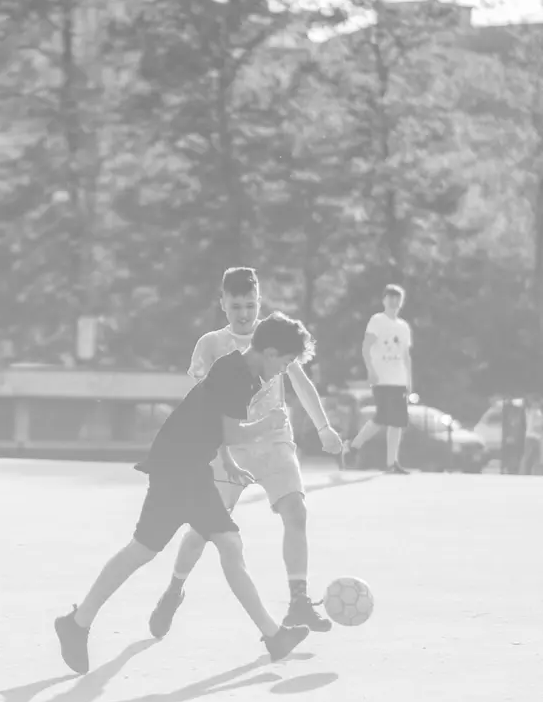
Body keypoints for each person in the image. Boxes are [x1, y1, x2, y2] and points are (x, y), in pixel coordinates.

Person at [54, 312, 321, 675]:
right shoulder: (240, 376)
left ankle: (274, 636)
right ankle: (77, 622)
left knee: (197, 546)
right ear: (270, 352)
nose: (283, 371)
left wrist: (226, 461)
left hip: (185, 465)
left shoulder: (239, 369)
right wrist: (269, 424)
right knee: (150, 549)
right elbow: (234, 431)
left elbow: (214, 421)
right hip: (179, 467)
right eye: (285, 362)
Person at [148, 269, 343, 640]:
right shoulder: (210, 344)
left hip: (274, 440)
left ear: (260, 302)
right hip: (229, 446)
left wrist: (324, 427)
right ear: (222, 303)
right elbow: (205, 403)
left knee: (296, 512)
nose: (243, 313)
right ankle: (174, 591)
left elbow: (301, 383)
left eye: (251, 305)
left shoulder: (272, 338)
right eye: (236, 305)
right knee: (201, 532)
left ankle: (298, 601)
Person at [344, 284, 413, 474]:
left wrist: (409, 380)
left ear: (401, 302)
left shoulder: (403, 327)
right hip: (382, 377)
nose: (393, 302)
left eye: (397, 298)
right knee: (382, 417)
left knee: (398, 421)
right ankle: (354, 446)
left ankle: (392, 463)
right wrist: (370, 370)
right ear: (384, 300)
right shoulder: (377, 320)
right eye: (390, 297)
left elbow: (406, 355)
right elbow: (366, 347)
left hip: (399, 379)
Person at [521, 396, 543, 475]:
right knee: (528, 456)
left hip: (536, 438)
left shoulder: (538, 412)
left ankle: (534, 473)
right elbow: (537, 426)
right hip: (531, 437)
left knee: (536, 457)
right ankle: (524, 473)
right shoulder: (530, 411)